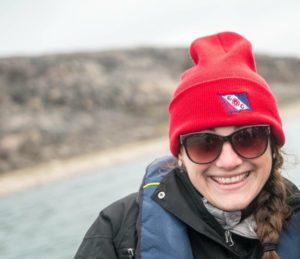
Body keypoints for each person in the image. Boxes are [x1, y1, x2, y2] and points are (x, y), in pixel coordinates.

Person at [74, 32, 300, 259]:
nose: (229, 161)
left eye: (249, 137)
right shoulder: (114, 234)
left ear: (273, 146)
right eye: (204, 144)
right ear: (180, 154)